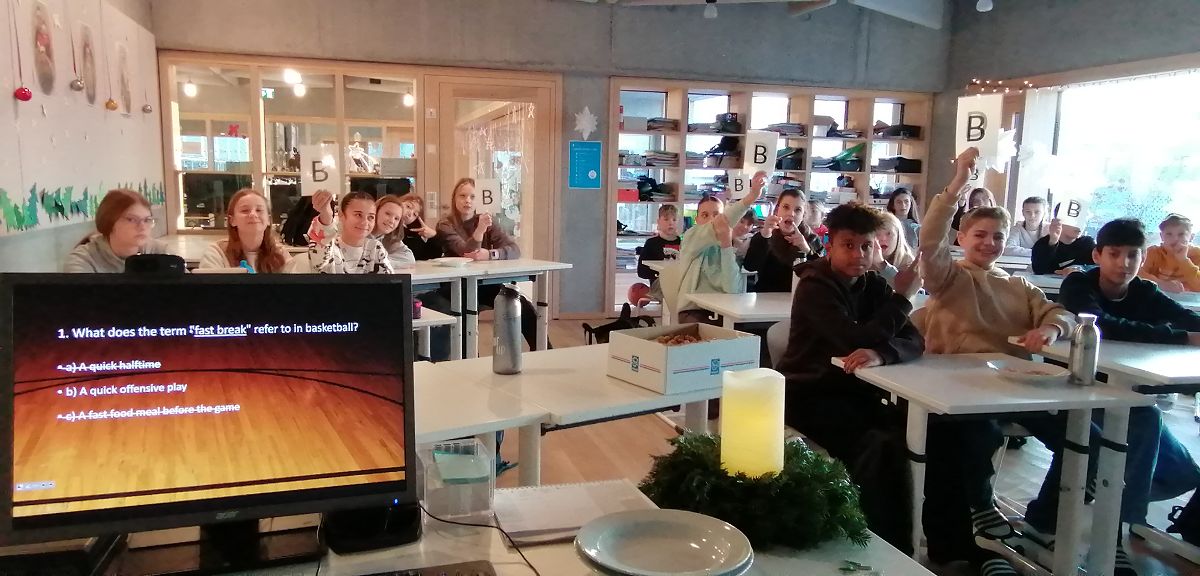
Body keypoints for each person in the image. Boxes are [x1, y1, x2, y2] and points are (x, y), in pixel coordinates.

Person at [915, 147, 1075, 576]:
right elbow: (929, 240)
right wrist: (956, 186)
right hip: (959, 388)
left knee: (1080, 433)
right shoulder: (948, 277)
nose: (989, 243)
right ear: (962, 239)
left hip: (1015, 386)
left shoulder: (1020, 286)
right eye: (980, 235)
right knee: (976, 434)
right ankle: (980, 507)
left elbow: (1058, 313)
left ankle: (1044, 518)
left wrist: (1051, 330)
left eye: (998, 237)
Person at [777, 202, 924, 557]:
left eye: (866, 246)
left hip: (858, 392)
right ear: (830, 245)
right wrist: (903, 298)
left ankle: (912, 539)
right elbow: (850, 338)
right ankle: (879, 545)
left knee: (916, 435)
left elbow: (914, 339)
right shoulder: (815, 286)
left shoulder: (872, 284)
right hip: (808, 393)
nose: (859, 254)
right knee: (878, 443)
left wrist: (881, 353)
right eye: (849, 245)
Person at [1053, 218, 1200, 541]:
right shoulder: (1078, 284)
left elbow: (1187, 318)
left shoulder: (1144, 291)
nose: (1124, 263)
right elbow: (1102, 325)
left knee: (1184, 476)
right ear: (1097, 255)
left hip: (1128, 389)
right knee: (1146, 418)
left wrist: (1189, 330)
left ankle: (1111, 492)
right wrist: (1181, 337)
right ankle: (1118, 530)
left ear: (1142, 257)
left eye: (1133, 255)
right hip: (1076, 388)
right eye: (1115, 254)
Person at [437, 177, 543, 350]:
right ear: (454, 199)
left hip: (483, 283)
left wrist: (491, 254)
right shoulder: (445, 224)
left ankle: (543, 350)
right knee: (463, 314)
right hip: (455, 285)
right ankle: (470, 359)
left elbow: (514, 249)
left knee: (519, 302)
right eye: (462, 196)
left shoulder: (488, 221)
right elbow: (466, 252)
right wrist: (480, 230)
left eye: (472, 197)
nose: (467, 201)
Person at [660, 172, 764, 324]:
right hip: (694, 310)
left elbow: (732, 289)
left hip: (723, 310)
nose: (711, 219)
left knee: (748, 330)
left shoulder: (733, 245)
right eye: (705, 215)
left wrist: (726, 246)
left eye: (716, 214)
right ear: (697, 219)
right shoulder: (691, 237)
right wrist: (750, 198)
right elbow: (718, 225)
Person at [65, 189, 169, 273]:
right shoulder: (83, 260)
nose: (142, 227)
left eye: (147, 220)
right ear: (109, 222)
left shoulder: (161, 252)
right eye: (132, 219)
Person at [743, 189, 823, 293]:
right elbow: (750, 266)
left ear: (803, 215)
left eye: (798, 210)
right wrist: (765, 235)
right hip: (767, 298)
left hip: (800, 298)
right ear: (777, 210)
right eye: (786, 207)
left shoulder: (812, 239)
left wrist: (806, 249)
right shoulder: (764, 236)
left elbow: (822, 275)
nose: (791, 213)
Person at [198, 188, 290, 272]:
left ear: (268, 220)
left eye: (259, 210)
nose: (253, 214)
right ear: (232, 220)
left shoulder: (280, 254)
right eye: (245, 210)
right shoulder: (216, 253)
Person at [308, 190, 392, 274]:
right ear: (341, 215)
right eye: (358, 215)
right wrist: (326, 215)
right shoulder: (330, 247)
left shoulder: (375, 247)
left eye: (371, 217)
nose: (365, 222)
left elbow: (390, 279)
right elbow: (319, 264)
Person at [1138, 213, 1200, 293]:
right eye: (1169, 234)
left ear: (1191, 237)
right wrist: (1161, 284)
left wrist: (1183, 260)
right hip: (1158, 297)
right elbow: (1138, 274)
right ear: (1161, 236)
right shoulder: (1153, 252)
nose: (1174, 239)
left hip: (1190, 300)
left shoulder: (1197, 255)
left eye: (1181, 234)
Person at [636, 204, 682, 296]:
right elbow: (642, 272)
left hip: (680, 283)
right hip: (659, 284)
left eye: (674, 220)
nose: (671, 223)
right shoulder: (651, 243)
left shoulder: (683, 243)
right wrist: (660, 273)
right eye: (666, 219)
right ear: (658, 222)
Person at [1031, 215, 1095, 275]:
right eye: (1075, 221)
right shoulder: (1042, 243)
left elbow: (1097, 265)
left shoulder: (1087, 243)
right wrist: (1053, 242)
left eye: (1084, 221)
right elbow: (1038, 270)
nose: (1080, 226)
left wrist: (1081, 269)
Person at [871, 211, 918, 289]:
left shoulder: (909, 263)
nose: (883, 239)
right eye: (877, 234)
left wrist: (882, 265)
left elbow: (907, 290)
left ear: (898, 237)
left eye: (888, 234)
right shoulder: (863, 260)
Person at [372, 194, 417, 269]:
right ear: (376, 211)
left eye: (396, 218)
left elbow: (409, 259)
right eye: (387, 214)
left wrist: (384, 260)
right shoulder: (361, 232)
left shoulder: (390, 237)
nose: (391, 221)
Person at [398, 193, 443, 261]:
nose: (410, 214)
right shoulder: (385, 227)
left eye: (415, 214)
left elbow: (432, 256)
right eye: (408, 206)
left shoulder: (412, 236)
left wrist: (433, 237)